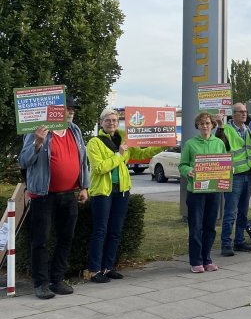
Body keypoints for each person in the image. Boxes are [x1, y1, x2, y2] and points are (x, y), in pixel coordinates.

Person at [18, 95, 89, 299]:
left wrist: (84, 186)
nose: (71, 111)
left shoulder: (75, 130)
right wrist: (37, 144)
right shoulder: (38, 132)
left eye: (73, 108)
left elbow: (82, 160)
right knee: (40, 240)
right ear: (54, 111)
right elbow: (23, 161)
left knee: (66, 238)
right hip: (43, 195)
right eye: (67, 108)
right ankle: (41, 283)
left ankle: (56, 279)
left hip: (68, 194)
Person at [86, 109, 165, 283]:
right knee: (100, 231)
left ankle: (108, 267)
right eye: (108, 120)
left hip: (121, 190)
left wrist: (163, 144)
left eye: (115, 120)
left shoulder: (124, 139)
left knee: (115, 231)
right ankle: (94, 270)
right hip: (103, 192)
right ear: (101, 122)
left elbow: (141, 154)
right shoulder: (94, 143)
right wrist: (119, 155)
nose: (112, 123)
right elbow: (99, 168)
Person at [179, 112, 227, 273]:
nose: (205, 126)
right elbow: (182, 165)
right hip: (196, 192)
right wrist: (189, 171)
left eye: (207, 123)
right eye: (201, 124)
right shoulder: (190, 144)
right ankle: (196, 261)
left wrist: (227, 171)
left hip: (213, 191)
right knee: (196, 227)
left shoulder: (219, 143)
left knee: (210, 226)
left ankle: (207, 259)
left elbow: (224, 163)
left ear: (212, 125)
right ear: (197, 126)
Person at [215, 103, 251, 256]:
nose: (244, 114)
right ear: (233, 114)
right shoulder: (226, 130)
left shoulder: (248, 130)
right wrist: (219, 125)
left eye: (245, 112)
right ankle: (226, 243)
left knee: (243, 213)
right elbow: (220, 143)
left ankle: (239, 241)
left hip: (248, 175)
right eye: (241, 112)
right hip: (234, 176)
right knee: (230, 213)